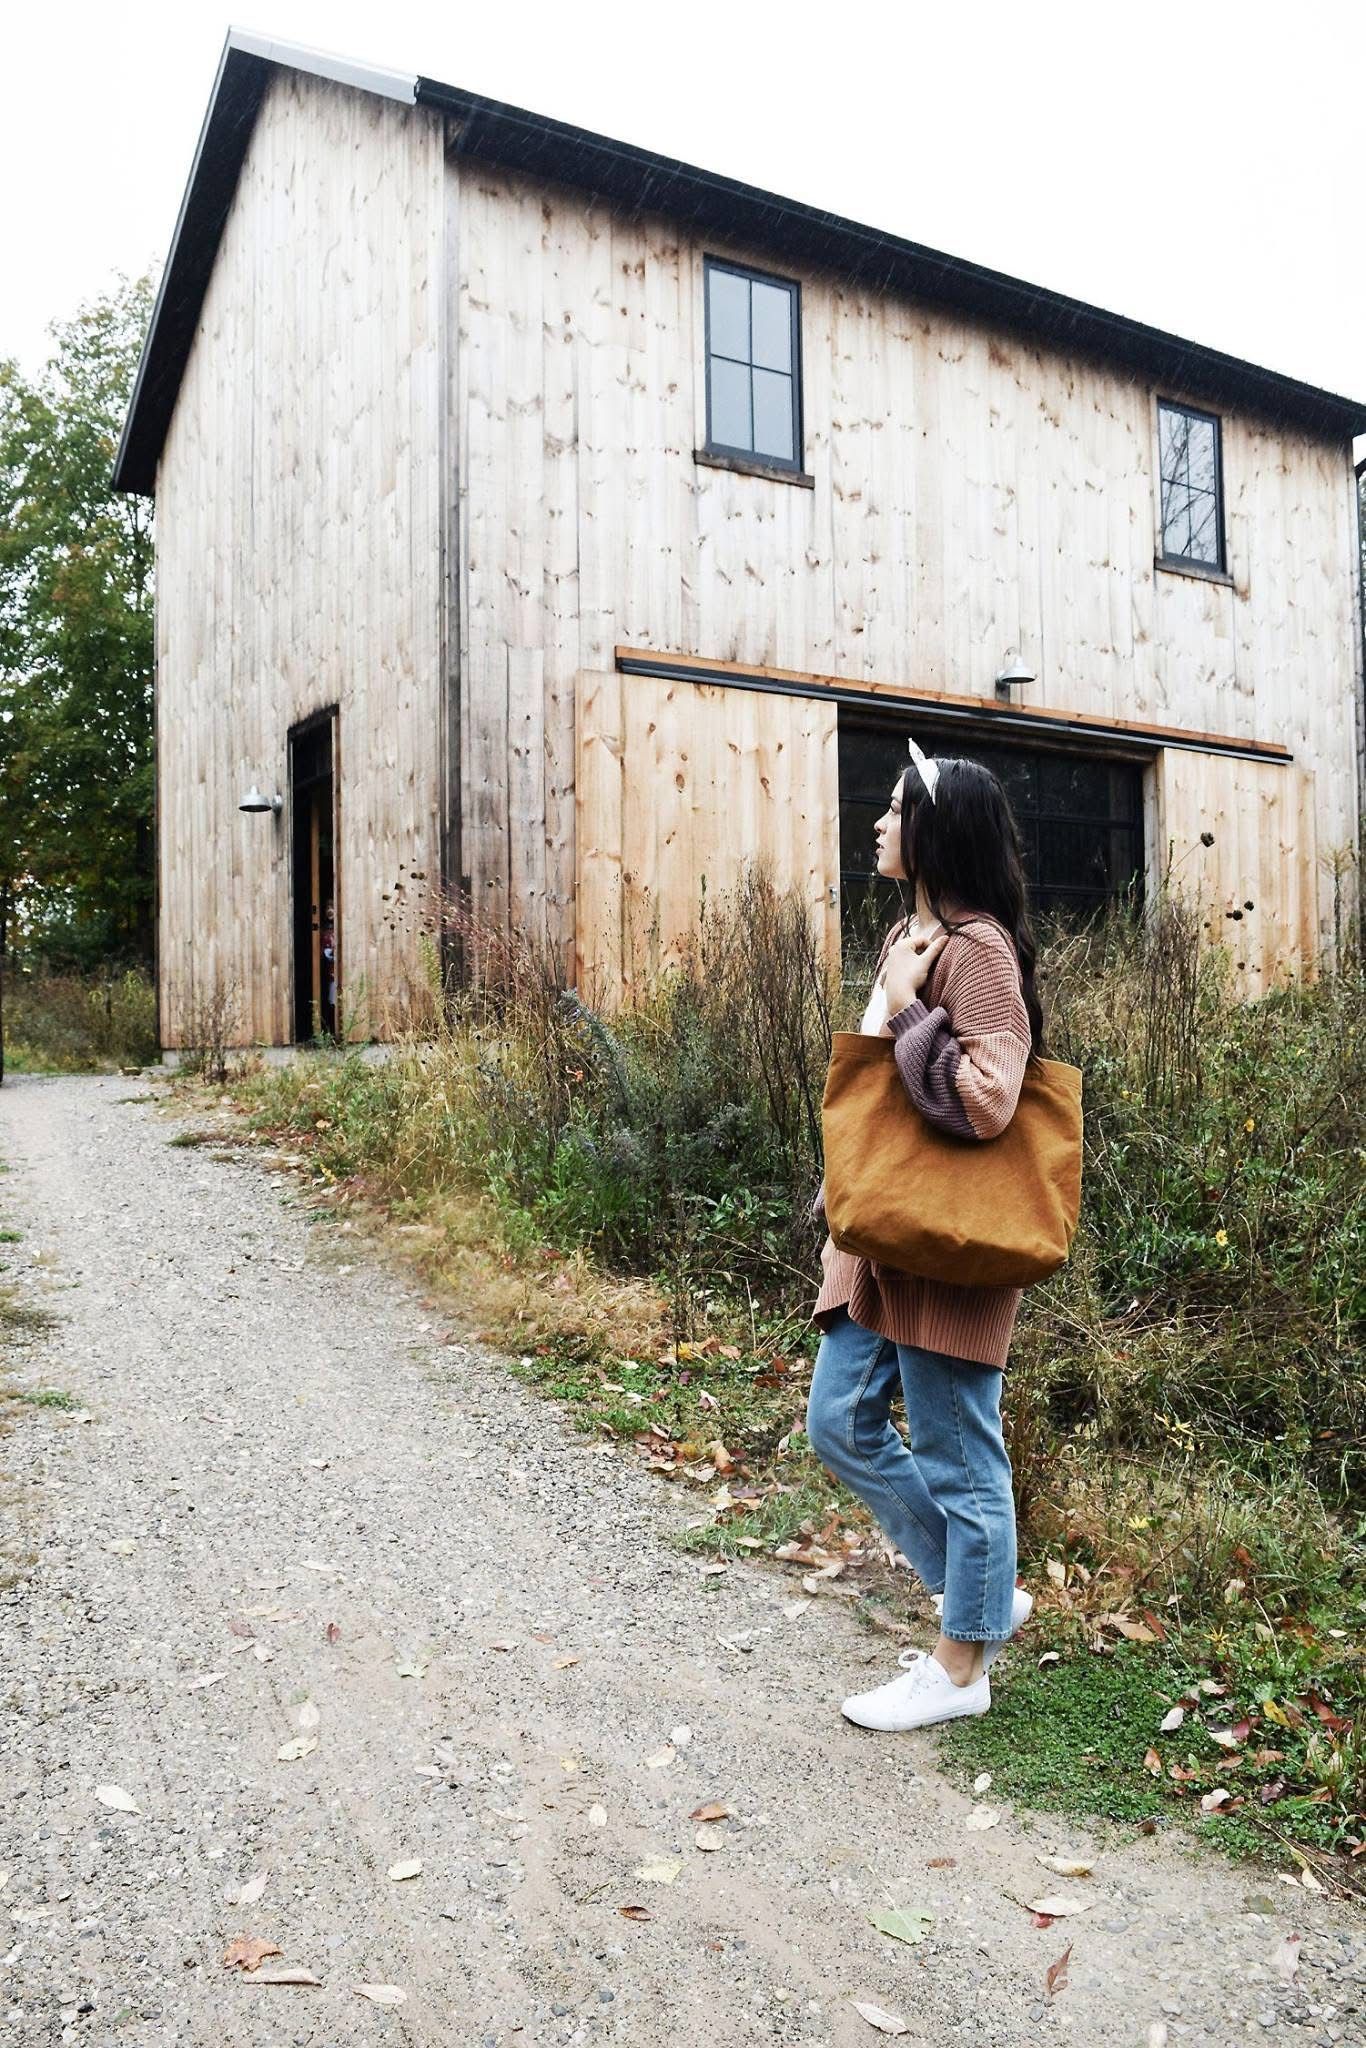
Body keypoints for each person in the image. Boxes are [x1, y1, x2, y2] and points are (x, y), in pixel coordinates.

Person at [806, 740, 1045, 1732]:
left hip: (946, 1246)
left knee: (956, 1450)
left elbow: (987, 1101)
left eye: (895, 808)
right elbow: (882, 1100)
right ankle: (978, 1587)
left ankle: (959, 1667)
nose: (877, 822)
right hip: (887, 1237)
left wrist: (909, 1011)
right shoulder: (909, 937)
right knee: (838, 1420)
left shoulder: (977, 950)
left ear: (936, 830)